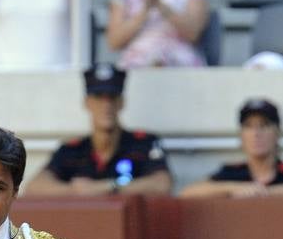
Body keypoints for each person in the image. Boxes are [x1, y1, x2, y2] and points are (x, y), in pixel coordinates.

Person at [25, 65, 172, 197]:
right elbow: (34, 187)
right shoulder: (72, 149)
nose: (106, 105)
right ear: (87, 103)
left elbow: (162, 184)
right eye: (99, 97)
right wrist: (75, 190)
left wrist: (108, 187)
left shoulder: (143, 143)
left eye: (112, 98)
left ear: (121, 102)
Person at [181, 98, 283, 198]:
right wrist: (232, 188)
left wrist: (262, 192)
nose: (256, 133)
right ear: (241, 135)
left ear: (277, 132)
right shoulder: (232, 173)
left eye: (264, 125)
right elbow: (187, 193)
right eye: (249, 126)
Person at [106, 0, 209, 68]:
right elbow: (114, 42)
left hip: (180, 60)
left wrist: (160, 5)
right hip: (137, 60)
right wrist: (145, 10)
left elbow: (193, 33)